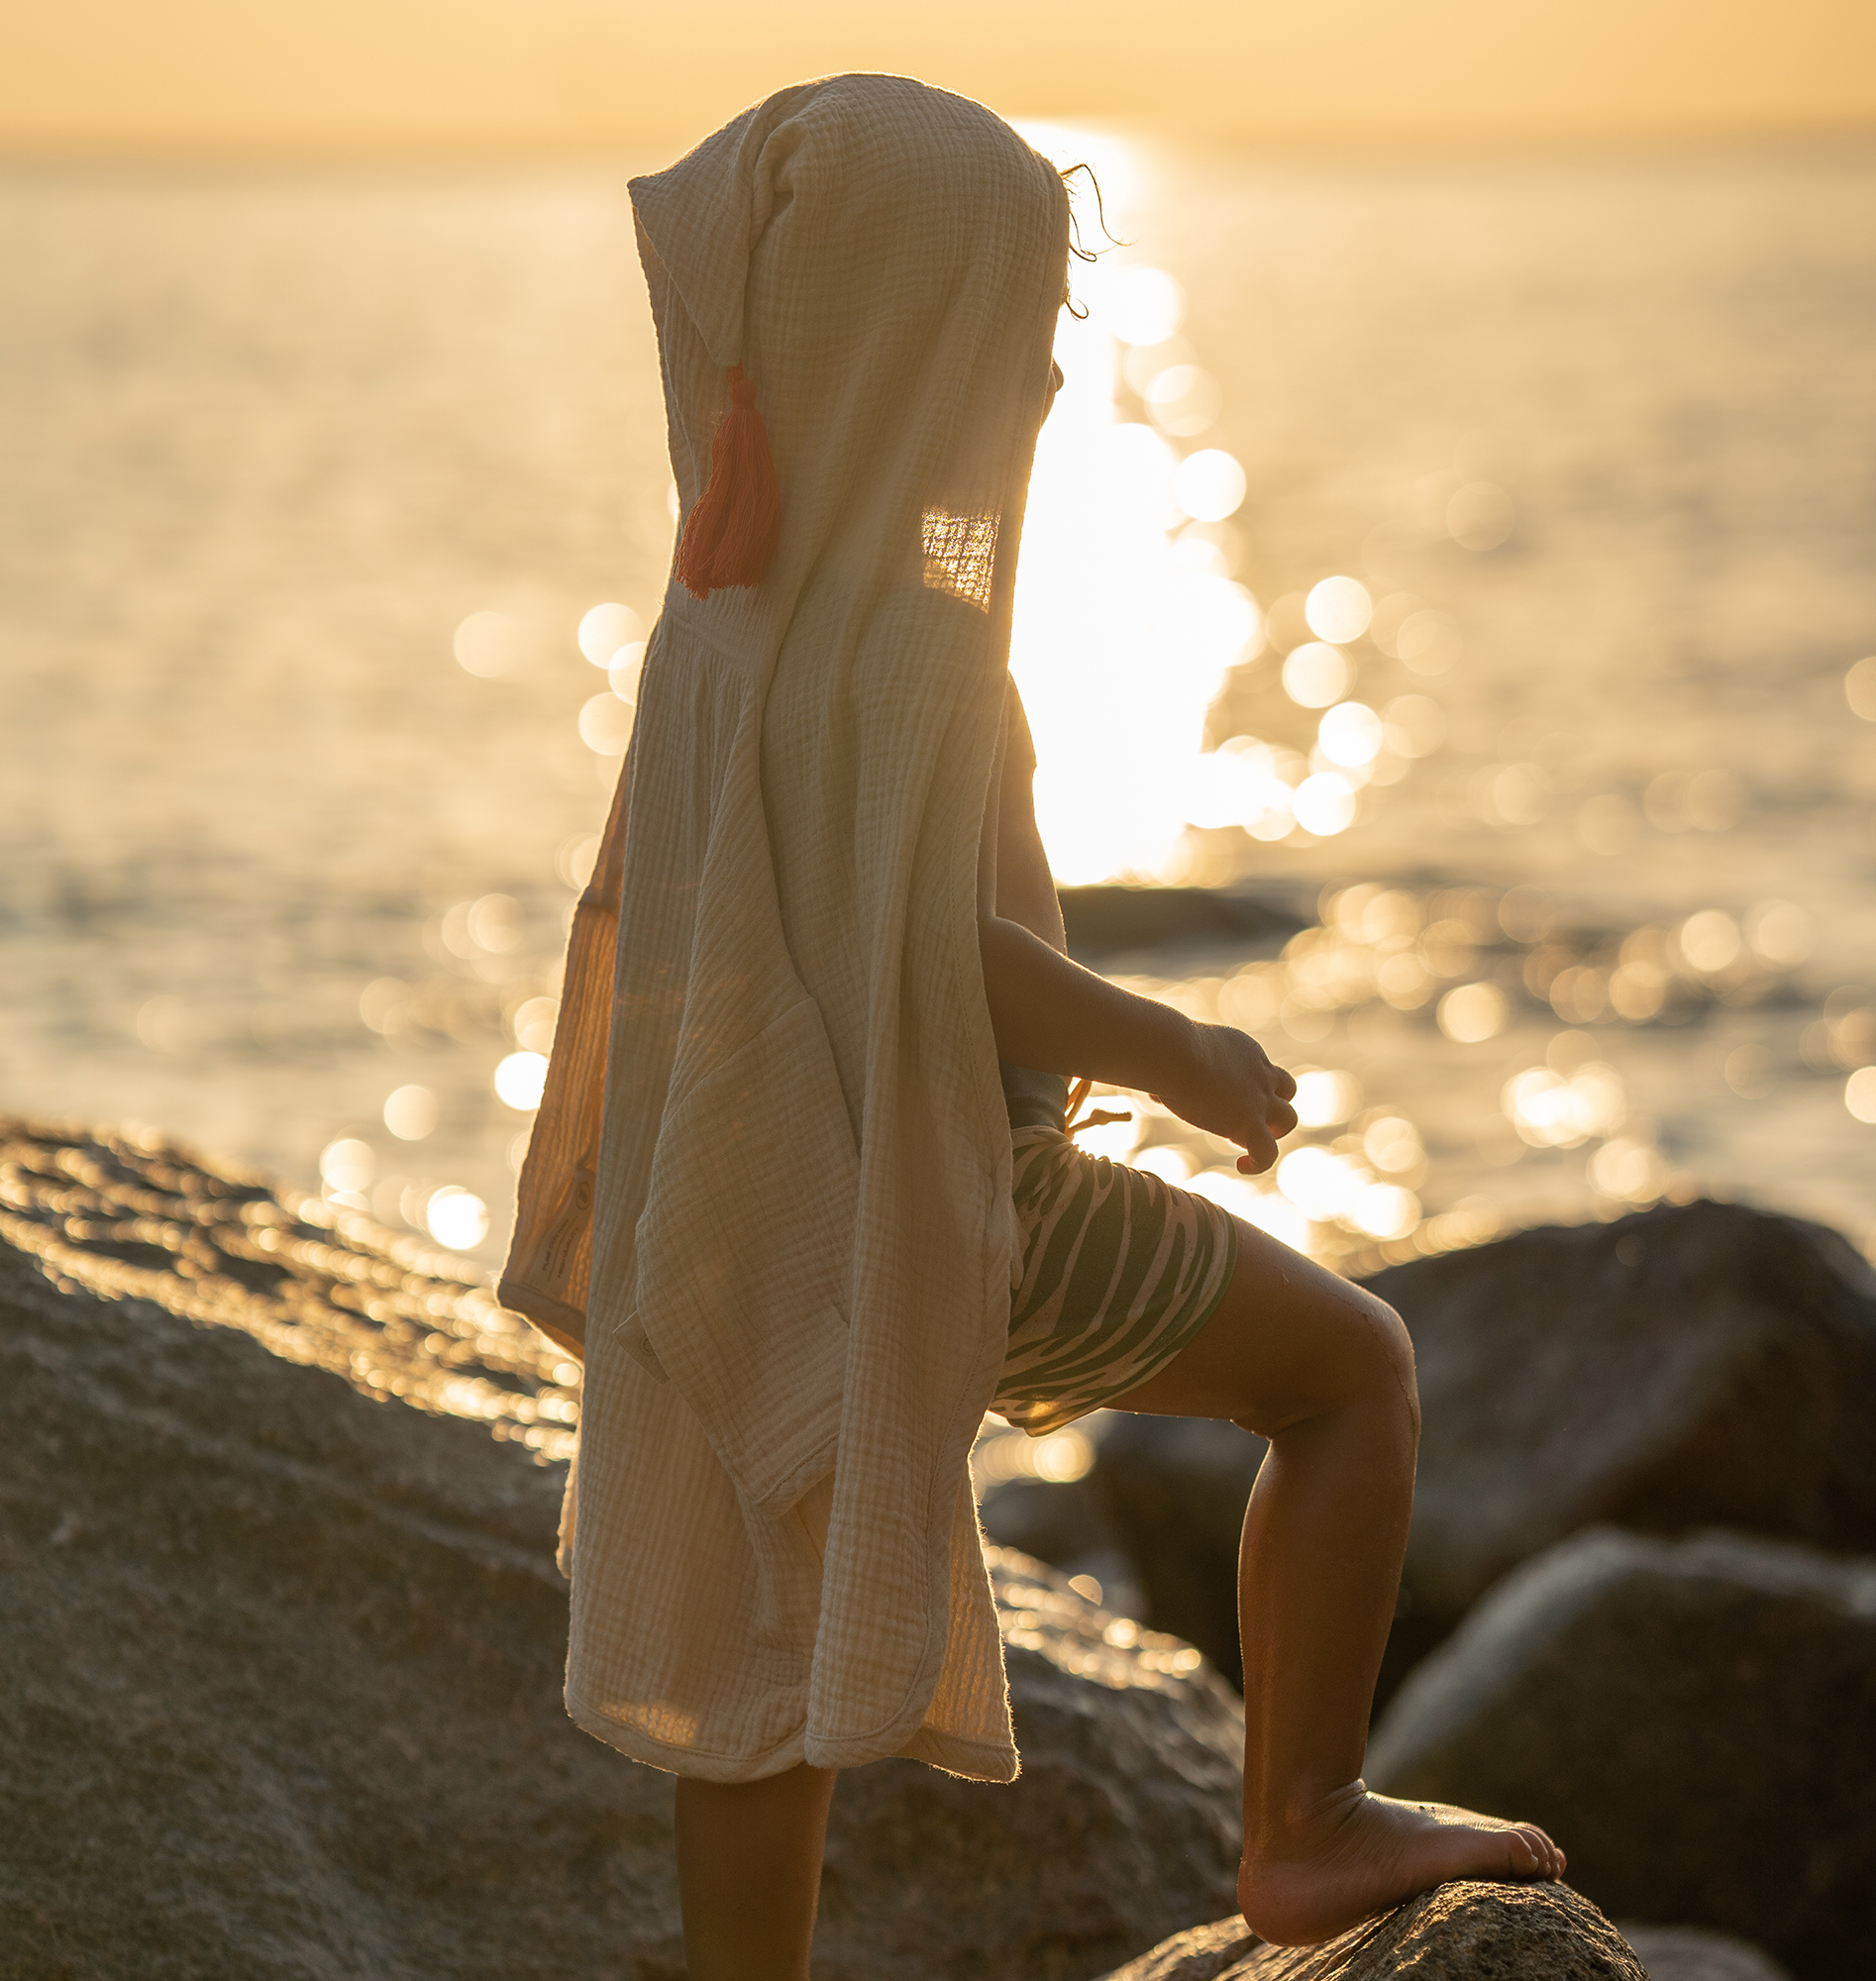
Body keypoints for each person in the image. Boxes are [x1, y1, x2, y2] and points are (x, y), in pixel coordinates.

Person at [501, 73, 1564, 1981]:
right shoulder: (910, 629)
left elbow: (703, 932)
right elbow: (928, 940)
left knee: (755, 1630)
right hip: (947, 1198)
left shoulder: (729, 617)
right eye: (1021, 337)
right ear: (906, 348)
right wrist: (1172, 1051)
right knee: (1352, 1375)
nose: (1053, 388)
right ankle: (1304, 1822)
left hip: (752, 1202)